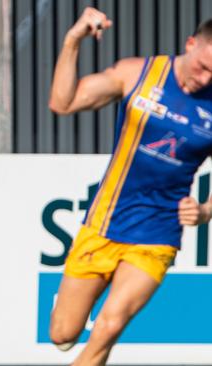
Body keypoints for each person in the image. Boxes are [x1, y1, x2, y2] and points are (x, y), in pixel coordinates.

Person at [48, 7, 212, 366]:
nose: (205, 77)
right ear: (190, 44)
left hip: (157, 235)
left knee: (109, 325)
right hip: (103, 223)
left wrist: (205, 210)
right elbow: (63, 102)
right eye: (203, 65)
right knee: (62, 333)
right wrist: (72, 40)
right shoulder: (139, 73)